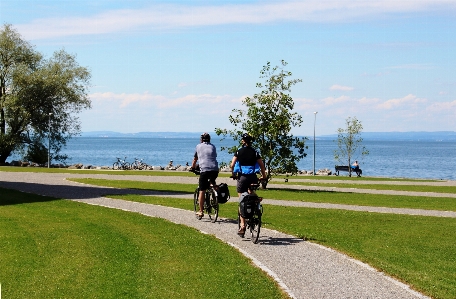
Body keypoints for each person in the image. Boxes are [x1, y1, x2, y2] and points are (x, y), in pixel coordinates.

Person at [230, 133, 266, 236]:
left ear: (242, 141)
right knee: (251, 193)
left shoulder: (238, 151)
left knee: (242, 200)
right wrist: (264, 176)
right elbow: (262, 166)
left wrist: (233, 174)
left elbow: (232, 165)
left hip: (242, 178)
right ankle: (255, 206)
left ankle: (242, 225)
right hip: (253, 177)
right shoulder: (255, 152)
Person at [191, 132, 219, 219]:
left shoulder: (198, 146)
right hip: (214, 169)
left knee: (202, 190)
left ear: (201, 139)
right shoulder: (213, 146)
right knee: (212, 182)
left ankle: (201, 211)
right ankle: (215, 197)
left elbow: (195, 159)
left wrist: (192, 167)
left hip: (205, 170)